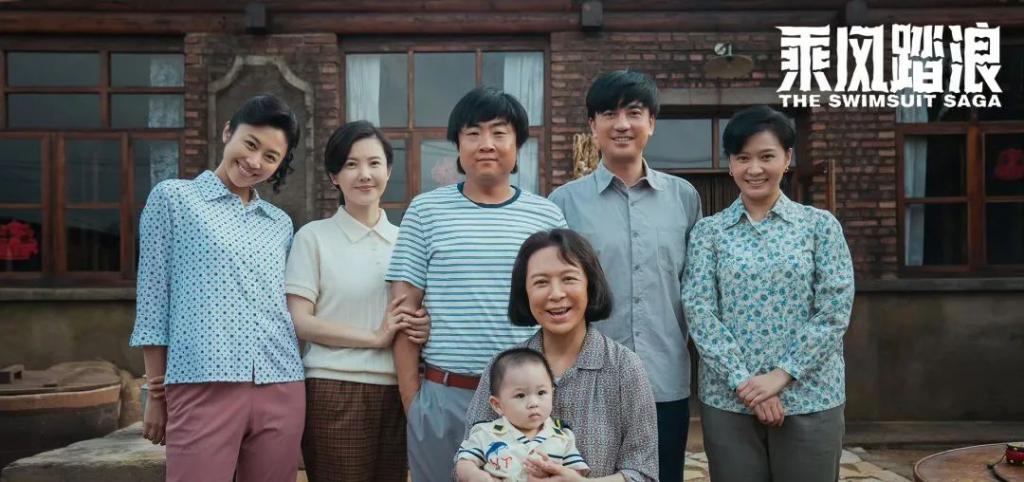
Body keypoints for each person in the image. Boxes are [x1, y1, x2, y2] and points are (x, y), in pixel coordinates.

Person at [385, 87, 567, 482]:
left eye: (499, 132)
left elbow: (562, 310)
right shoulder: (425, 211)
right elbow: (403, 311)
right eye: (473, 133)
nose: (486, 144)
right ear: (457, 144)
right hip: (443, 397)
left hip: (526, 404)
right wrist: (414, 401)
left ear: (518, 145)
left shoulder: (546, 216)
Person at [130, 94, 305, 482]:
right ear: (228, 132)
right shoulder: (174, 199)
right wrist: (155, 395)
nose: (255, 161)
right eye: (250, 144)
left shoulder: (280, 223)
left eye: (271, 157)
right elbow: (153, 300)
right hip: (202, 381)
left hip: (281, 382)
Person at [682, 105, 855, 482]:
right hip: (729, 402)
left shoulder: (819, 227)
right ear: (730, 165)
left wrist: (781, 376)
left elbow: (834, 311)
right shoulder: (709, 233)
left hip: (810, 397)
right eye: (742, 158)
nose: (754, 168)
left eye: (766, 156)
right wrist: (746, 384)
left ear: (787, 159)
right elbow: (699, 312)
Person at [548, 69, 701, 482]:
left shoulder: (684, 198)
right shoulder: (563, 203)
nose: (622, 125)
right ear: (592, 125)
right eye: (609, 114)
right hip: (587, 381)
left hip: (665, 379)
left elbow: (694, 287)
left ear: (651, 122)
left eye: (633, 113)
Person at [284, 120, 429, 481]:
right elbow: (300, 320)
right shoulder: (313, 238)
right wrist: (374, 337)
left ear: (388, 170)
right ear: (334, 176)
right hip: (335, 388)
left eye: (374, 163)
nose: (364, 174)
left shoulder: (407, 241)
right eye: (351, 164)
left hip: (399, 390)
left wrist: (423, 324)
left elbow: (417, 312)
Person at [460, 228, 659, 482]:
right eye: (541, 282)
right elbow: (467, 458)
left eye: (568, 278)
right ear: (525, 291)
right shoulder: (502, 366)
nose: (555, 294)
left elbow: (642, 473)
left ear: (590, 284)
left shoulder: (624, 367)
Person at [456, 347, 590, 481]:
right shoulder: (486, 433)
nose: (533, 403)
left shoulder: (563, 437)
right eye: (520, 395)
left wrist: (551, 472)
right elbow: (464, 462)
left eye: (541, 393)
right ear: (497, 405)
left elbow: (575, 474)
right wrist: (476, 475)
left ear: (552, 392)